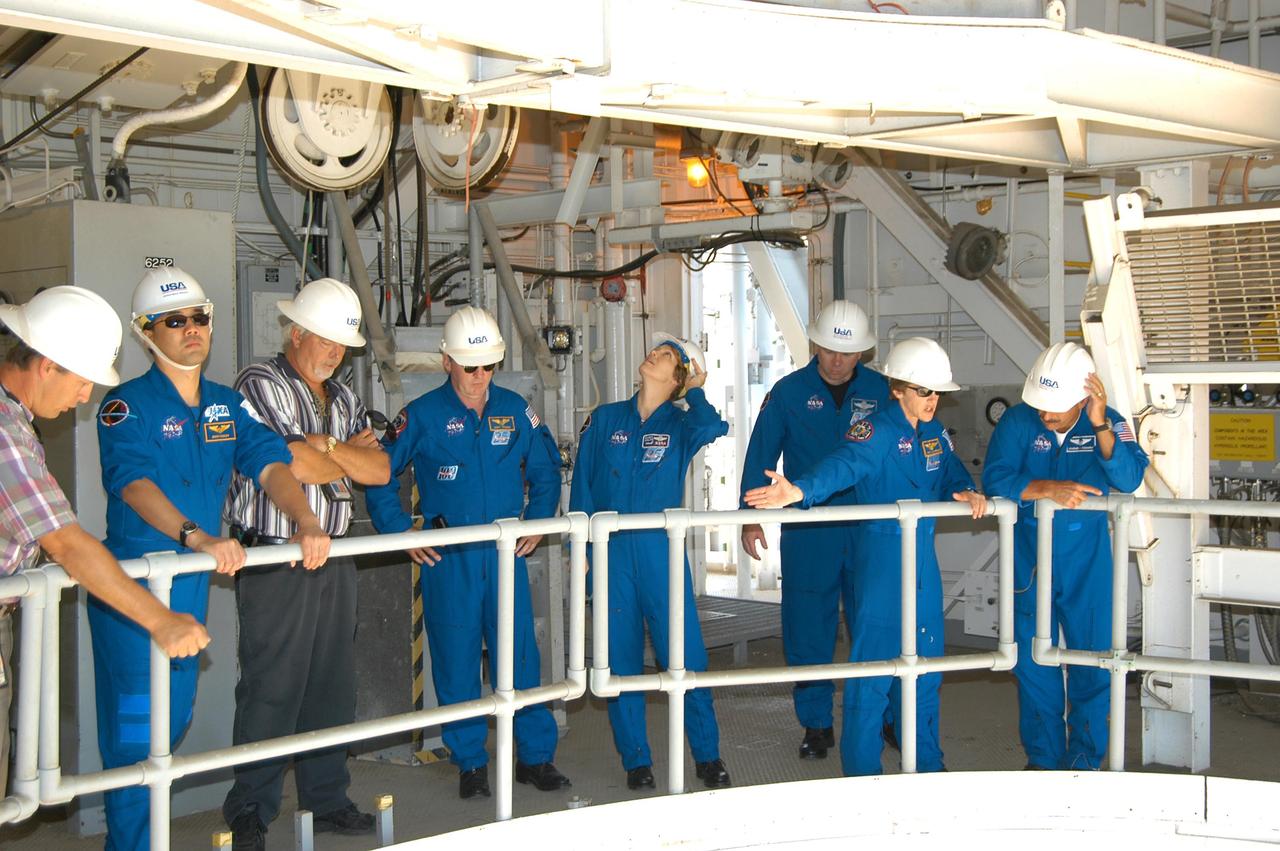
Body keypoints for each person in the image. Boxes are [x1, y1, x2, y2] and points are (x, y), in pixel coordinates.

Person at [93, 267, 331, 851]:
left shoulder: (228, 405)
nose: (191, 330)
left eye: (199, 318)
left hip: (192, 585)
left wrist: (305, 521)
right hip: (134, 587)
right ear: (147, 333)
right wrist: (195, 535)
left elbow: (272, 464)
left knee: (170, 724)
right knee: (135, 734)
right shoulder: (125, 406)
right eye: (175, 321)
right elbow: (134, 483)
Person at [0, 287, 208, 796]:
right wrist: (159, 619)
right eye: (83, 381)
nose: (86, 398)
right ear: (47, 365)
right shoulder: (5, 431)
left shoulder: (20, 425)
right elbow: (67, 544)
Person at [745, 337, 986, 777]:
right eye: (922, 391)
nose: (932, 401)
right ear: (897, 389)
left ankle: (927, 764)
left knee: (928, 672)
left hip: (923, 570)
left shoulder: (933, 434)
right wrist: (800, 491)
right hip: (881, 565)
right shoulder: (873, 431)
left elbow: (948, 469)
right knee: (872, 674)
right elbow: (843, 465)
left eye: (936, 393)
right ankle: (862, 773)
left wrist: (966, 487)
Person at [366, 306, 570, 800]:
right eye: (469, 366)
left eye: (488, 367)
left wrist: (539, 522)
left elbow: (545, 472)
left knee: (520, 657)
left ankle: (535, 757)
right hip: (449, 558)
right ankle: (471, 762)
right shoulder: (421, 416)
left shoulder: (517, 410)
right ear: (446, 362)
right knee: (455, 661)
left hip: (504, 556)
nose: (480, 378)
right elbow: (377, 474)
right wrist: (403, 534)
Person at [221, 279, 389, 849]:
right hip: (277, 555)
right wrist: (340, 456)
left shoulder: (341, 398)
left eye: (344, 344)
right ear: (297, 333)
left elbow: (382, 471)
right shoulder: (258, 384)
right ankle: (250, 809)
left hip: (335, 555)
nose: (336, 352)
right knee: (272, 686)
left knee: (330, 686)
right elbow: (288, 462)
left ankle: (326, 798)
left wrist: (328, 451)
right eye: (326, 339)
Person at [569, 333, 732, 791]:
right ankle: (636, 760)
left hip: (660, 553)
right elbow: (582, 488)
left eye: (665, 357)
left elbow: (713, 426)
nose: (652, 355)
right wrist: (581, 549)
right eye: (654, 350)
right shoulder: (603, 420)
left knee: (685, 656)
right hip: (612, 553)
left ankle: (707, 755)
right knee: (620, 660)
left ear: (677, 377)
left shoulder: (682, 424)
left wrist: (695, 389)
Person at [981, 341, 1147, 771]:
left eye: (1056, 408)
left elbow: (1129, 478)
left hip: (1086, 560)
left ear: (1084, 398)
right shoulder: (1019, 421)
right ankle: (1044, 759)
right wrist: (1043, 488)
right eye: (1041, 407)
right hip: (1029, 559)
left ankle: (1086, 759)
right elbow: (996, 475)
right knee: (1035, 665)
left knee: (1092, 660)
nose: (1046, 416)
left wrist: (1102, 428)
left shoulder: (1106, 423)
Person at [738, 300, 890, 760]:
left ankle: (880, 716)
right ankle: (816, 723)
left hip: (869, 526)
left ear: (863, 352)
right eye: (829, 350)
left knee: (875, 624)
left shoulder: (884, 392)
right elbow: (761, 451)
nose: (838, 361)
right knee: (808, 627)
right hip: (809, 529)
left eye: (848, 353)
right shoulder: (787, 393)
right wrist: (749, 515)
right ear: (816, 345)